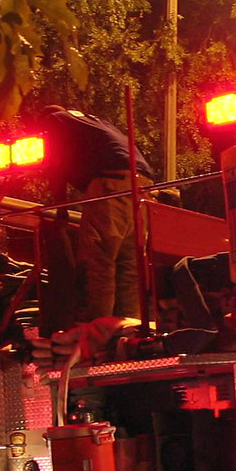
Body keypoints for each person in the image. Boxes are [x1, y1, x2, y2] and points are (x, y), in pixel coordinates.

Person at [37, 106, 158, 323]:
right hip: (142, 188)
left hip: (109, 184)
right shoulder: (97, 122)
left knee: (101, 261)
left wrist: (61, 208)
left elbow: (56, 164)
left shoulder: (55, 119)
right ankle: (130, 329)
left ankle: (98, 329)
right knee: (129, 267)